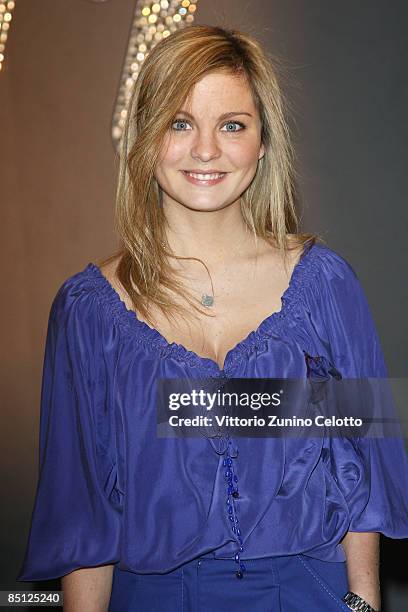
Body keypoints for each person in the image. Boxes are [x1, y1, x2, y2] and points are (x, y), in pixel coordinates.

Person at [16, 25, 408, 612]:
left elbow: (362, 478)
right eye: (180, 123)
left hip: (306, 594)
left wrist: (364, 603)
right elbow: (83, 519)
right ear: (146, 140)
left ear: (262, 143)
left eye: (232, 125)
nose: (206, 150)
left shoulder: (327, 286)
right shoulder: (86, 311)